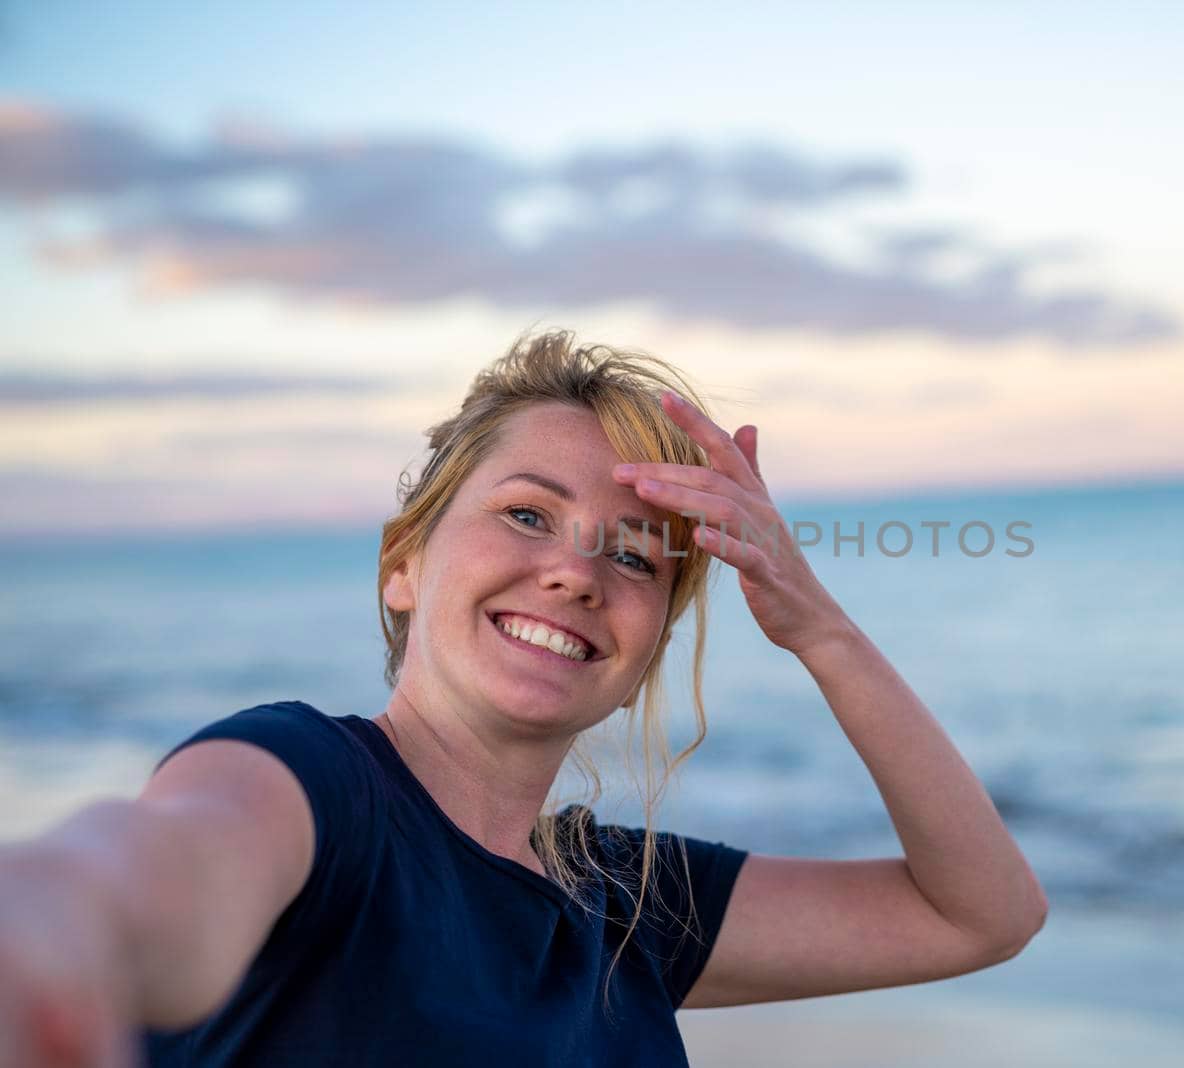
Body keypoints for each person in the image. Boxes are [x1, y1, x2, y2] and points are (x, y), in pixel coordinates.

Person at [0, 327, 1049, 1067]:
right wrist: (52, 928)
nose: (576, 574)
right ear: (402, 567)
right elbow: (146, 871)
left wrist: (819, 628)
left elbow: (982, 915)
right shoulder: (317, 791)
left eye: (635, 555)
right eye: (528, 516)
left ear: (651, 640)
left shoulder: (630, 904)